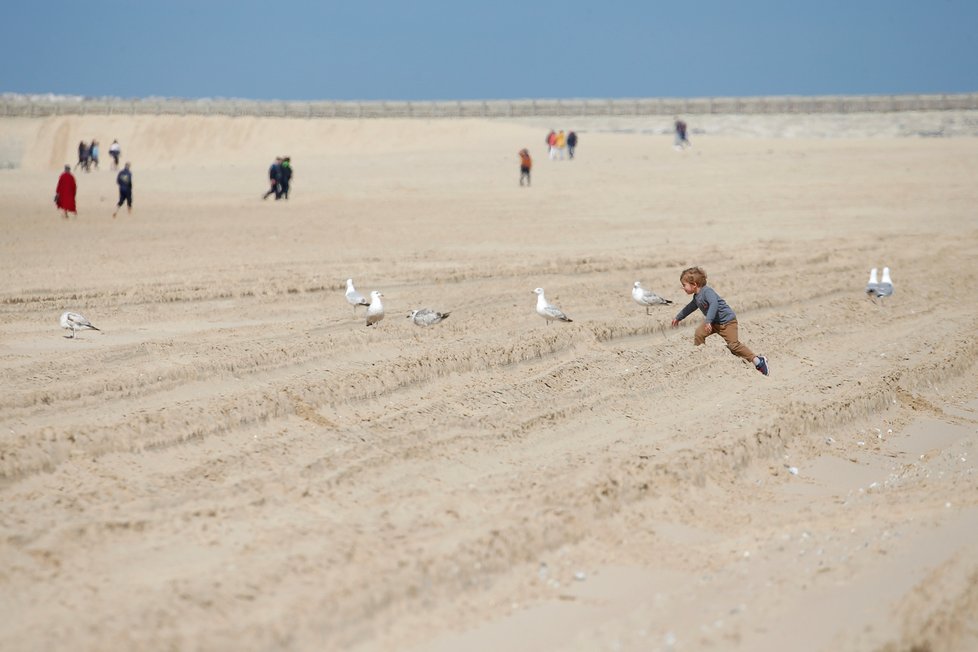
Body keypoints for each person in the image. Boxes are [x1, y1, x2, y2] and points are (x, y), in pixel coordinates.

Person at [670, 266, 768, 375]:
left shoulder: (708, 292)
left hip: (727, 322)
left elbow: (714, 304)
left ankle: (758, 361)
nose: (683, 288)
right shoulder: (696, 297)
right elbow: (690, 307)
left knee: (734, 345)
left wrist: (708, 321)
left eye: (684, 285)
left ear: (694, 285)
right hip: (713, 323)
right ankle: (700, 356)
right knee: (699, 334)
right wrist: (678, 317)